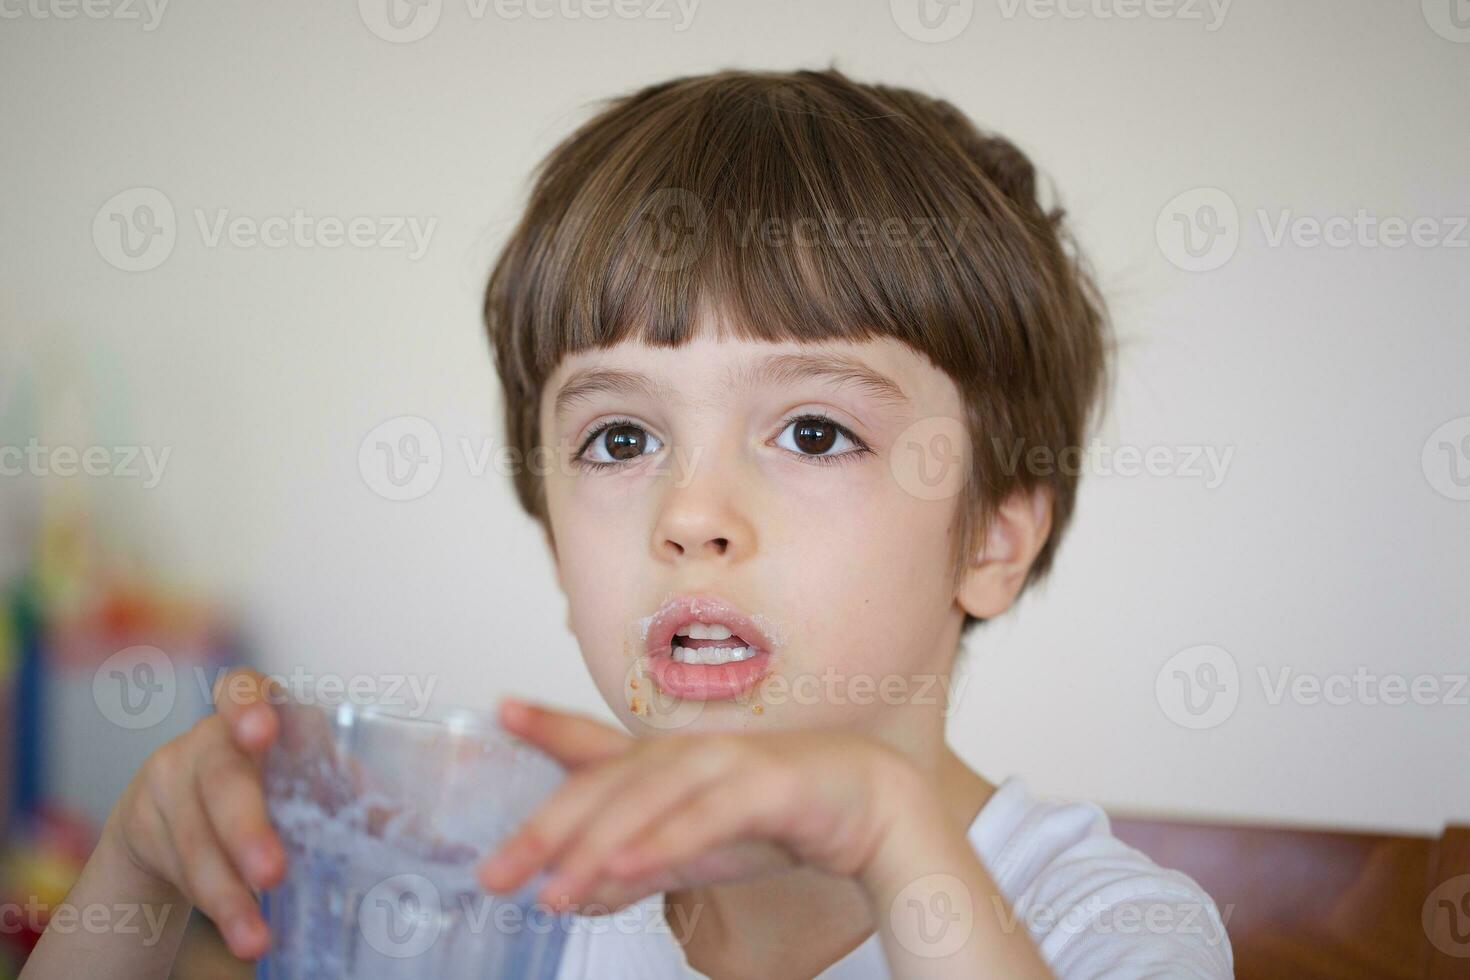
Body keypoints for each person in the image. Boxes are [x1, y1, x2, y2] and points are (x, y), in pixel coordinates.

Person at [23, 68, 1234, 978]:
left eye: (814, 431)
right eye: (620, 438)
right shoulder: (490, 901)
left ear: (993, 539)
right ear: (555, 537)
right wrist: (136, 857)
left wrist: (884, 826)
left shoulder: (1110, 929)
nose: (691, 515)